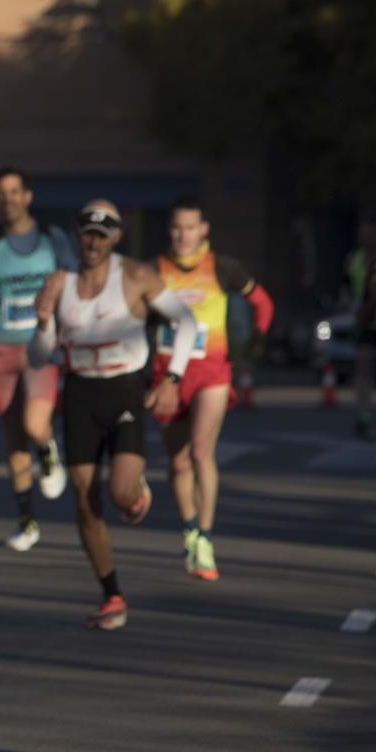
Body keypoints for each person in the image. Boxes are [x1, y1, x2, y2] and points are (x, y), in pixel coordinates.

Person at [30, 201, 198, 631]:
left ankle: (135, 490)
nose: (94, 242)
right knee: (85, 501)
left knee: (121, 494)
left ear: (116, 238)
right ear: (78, 235)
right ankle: (112, 595)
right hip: (82, 391)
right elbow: (39, 356)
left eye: (103, 235)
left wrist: (171, 379)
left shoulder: (137, 276)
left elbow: (187, 321)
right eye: (88, 233)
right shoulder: (59, 282)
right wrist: (43, 323)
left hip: (124, 388)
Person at [153, 198, 274, 581]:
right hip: (168, 375)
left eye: (190, 227)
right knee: (177, 462)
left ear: (204, 229)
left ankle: (205, 536)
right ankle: (189, 526)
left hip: (211, 373)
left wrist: (255, 341)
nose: (183, 235)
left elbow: (263, 303)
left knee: (202, 452)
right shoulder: (154, 270)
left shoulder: (223, 268)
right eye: (176, 228)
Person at [0, 167, 74, 551]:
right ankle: (26, 521)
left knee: (34, 423)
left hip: (39, 347)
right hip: (0, 348)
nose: (9, 199)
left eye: (15, 191)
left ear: (27, 196)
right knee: (13, 436)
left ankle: (47, 452)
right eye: (2, 193)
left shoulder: (51, 239)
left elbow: (71, 280)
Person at [350, 221, 376, 440]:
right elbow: (348, 287)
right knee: (363, 369)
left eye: (369, 233)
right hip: (365, 323)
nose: (365, 238)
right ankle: (364, 417)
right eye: (362, 234)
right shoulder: (355, 260)